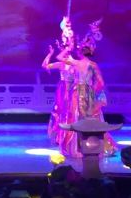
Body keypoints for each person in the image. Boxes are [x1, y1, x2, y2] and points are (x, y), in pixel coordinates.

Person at [57, 19, 117, 158]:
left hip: (76, 92)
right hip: (88, 92)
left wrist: (67, 48)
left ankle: (77, 147)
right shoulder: (93, 65)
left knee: (75, 118)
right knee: (90, 118)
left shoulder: (76, 63)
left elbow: (59, 57)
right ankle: (94, 145)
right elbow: (101, 83)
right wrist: (92, 92)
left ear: (81, 52)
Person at [43, 16, 77, 151]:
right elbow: (45, 66)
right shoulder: (61, 64)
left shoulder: (75, 63)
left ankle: (72, 137)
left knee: (72, 112)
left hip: (73, 89)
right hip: (63, 89)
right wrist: (50, 54)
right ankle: (60, 136)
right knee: (61, 111)